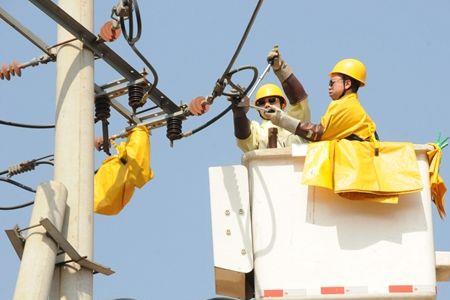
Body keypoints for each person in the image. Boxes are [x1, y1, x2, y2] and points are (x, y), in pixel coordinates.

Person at [189, 48, 311, 152]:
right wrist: (239, 113)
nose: (267, 104)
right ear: (257, 109)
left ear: (283, 104)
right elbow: (245, 138)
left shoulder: (294, 122)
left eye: (272, 100)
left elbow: (299, 100)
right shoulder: (258, 130)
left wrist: (281, 69)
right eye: (262, 103)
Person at [265, 55, 378, 142]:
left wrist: (281, 119)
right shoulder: (348, 104)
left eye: (332, 82)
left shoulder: (346, 106)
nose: (329, 86)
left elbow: (317, 134)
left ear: (347, 84)